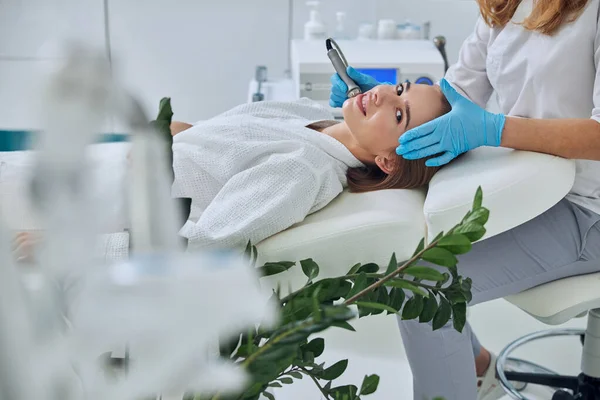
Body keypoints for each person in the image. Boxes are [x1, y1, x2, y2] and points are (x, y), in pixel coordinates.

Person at [329, 0, 600, 399]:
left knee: (421, 287)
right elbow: (456, 94)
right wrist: (382, 107)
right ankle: (474, 370)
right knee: (415, 254)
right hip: (535, 187)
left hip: (588, 209)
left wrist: (495, 129)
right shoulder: (506, 6)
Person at [12, 83, 451, 262]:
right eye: (399, 89)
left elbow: (201, 245)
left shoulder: (300, 172)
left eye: (399, 115)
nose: (380, 98)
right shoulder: (312, 114)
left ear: (389, 162)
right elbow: (215, 135)